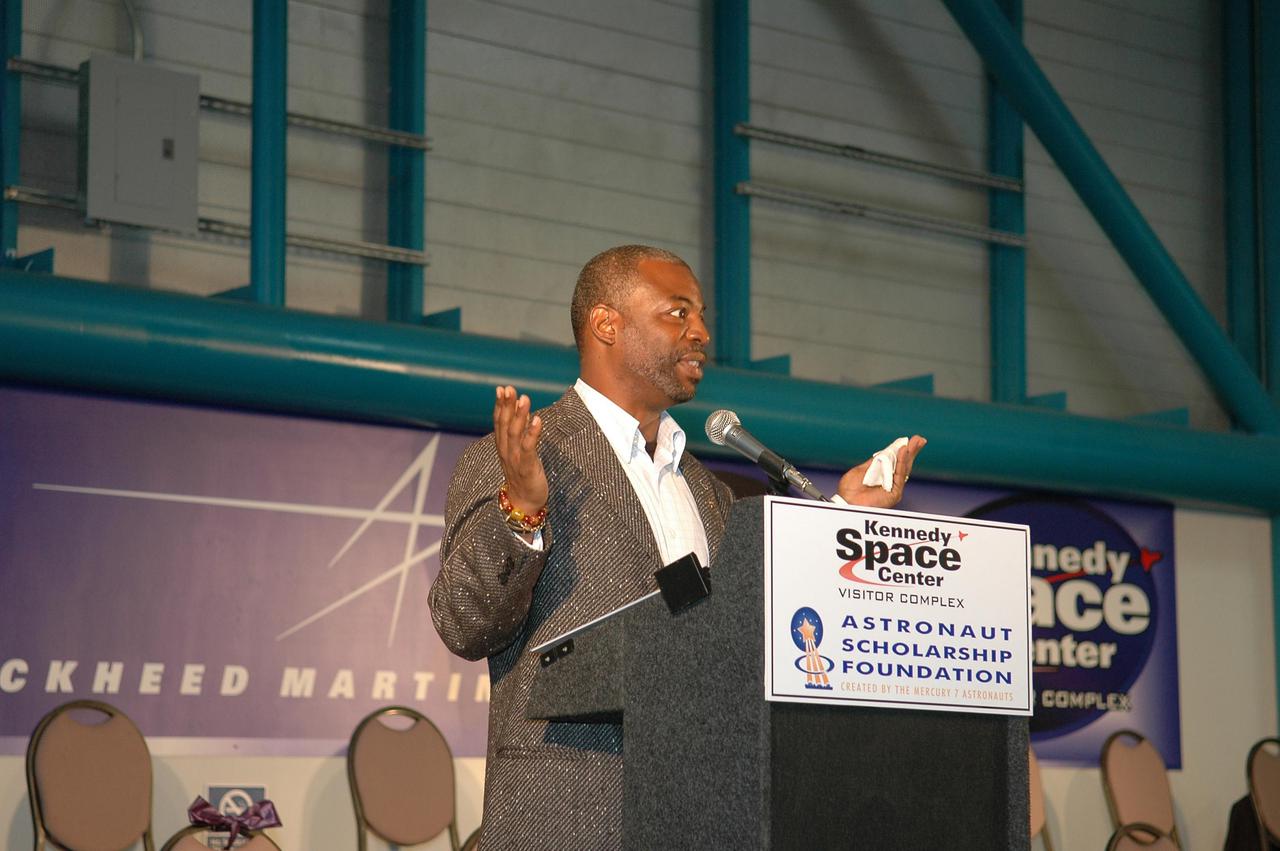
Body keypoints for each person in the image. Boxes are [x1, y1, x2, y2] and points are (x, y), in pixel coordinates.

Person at [429, 244, 926, 851]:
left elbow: (760, 625)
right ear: (607, 324)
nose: (702, 332)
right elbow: (462, 623)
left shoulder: (707, 489)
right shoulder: (521, 457)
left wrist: (844, 521)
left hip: (707, 807)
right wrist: (522, 508)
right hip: (576, 811)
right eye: (677, 312)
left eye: (701, 315)